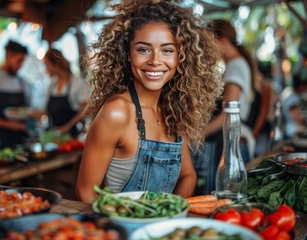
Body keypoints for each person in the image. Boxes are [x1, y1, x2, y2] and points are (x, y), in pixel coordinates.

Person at [76, 0, 224, 203]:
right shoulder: (116, 112)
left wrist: (168, 214)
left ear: (181, 56)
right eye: (143, 49)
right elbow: (86, 193)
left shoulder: (173, 109)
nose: (155, 60)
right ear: (127, 54)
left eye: (167, 50)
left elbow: (188, 176)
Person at [192, 19, 256, 195]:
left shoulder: (235, 66)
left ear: (223, 40)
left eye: (208, 41)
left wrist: (195, 135)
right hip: (234, 137)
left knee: (227, 197)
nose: (206, 47)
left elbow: (227, 115)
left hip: (232, 142)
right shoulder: (237, 64)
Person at [42, 48, 88, 137]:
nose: (46, 70)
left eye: (47, 65)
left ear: (55, 64)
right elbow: (46, 111)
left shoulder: (76, 83)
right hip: (55, 135)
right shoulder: (52, 84)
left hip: (73, 135)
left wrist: (66, 128)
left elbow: (85, 111)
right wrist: (29, 113)